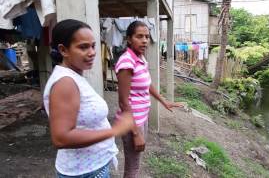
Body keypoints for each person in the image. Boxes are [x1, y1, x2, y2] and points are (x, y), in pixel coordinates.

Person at [43, 19, 134, 178]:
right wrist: (114, 130)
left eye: (93, 46)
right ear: (64, 50)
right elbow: (61, 137)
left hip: (91, 167)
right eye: (83, 47)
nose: (92, 52)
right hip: (84, 172)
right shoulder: (65, 83)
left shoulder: (74, 76)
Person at [115, 20, 182, 178]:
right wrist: (136, 133)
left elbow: (147, 83)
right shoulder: (127, 62)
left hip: (141, 118)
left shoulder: (140, 58)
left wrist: (163, 100)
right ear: (129, 39)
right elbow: (123, 102)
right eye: (139, 36)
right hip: (132, 123)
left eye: (147, 36)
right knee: (132, 167)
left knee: (135, 164)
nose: (145, 40)